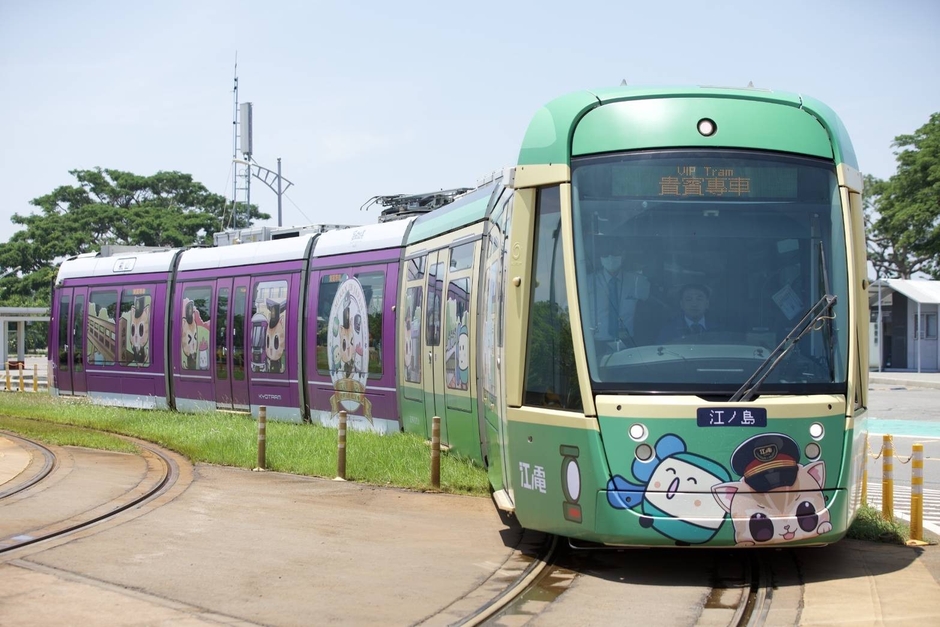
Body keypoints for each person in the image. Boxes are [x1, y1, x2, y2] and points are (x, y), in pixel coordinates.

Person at [587, 239, 650, 352]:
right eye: (606, 254)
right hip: (596, 343)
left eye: (615, 253)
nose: (610, 257)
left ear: (623, 255)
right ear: (600, 257)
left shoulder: (637, 281)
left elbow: (652, 307)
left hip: (629, 342)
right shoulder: (588, 282)